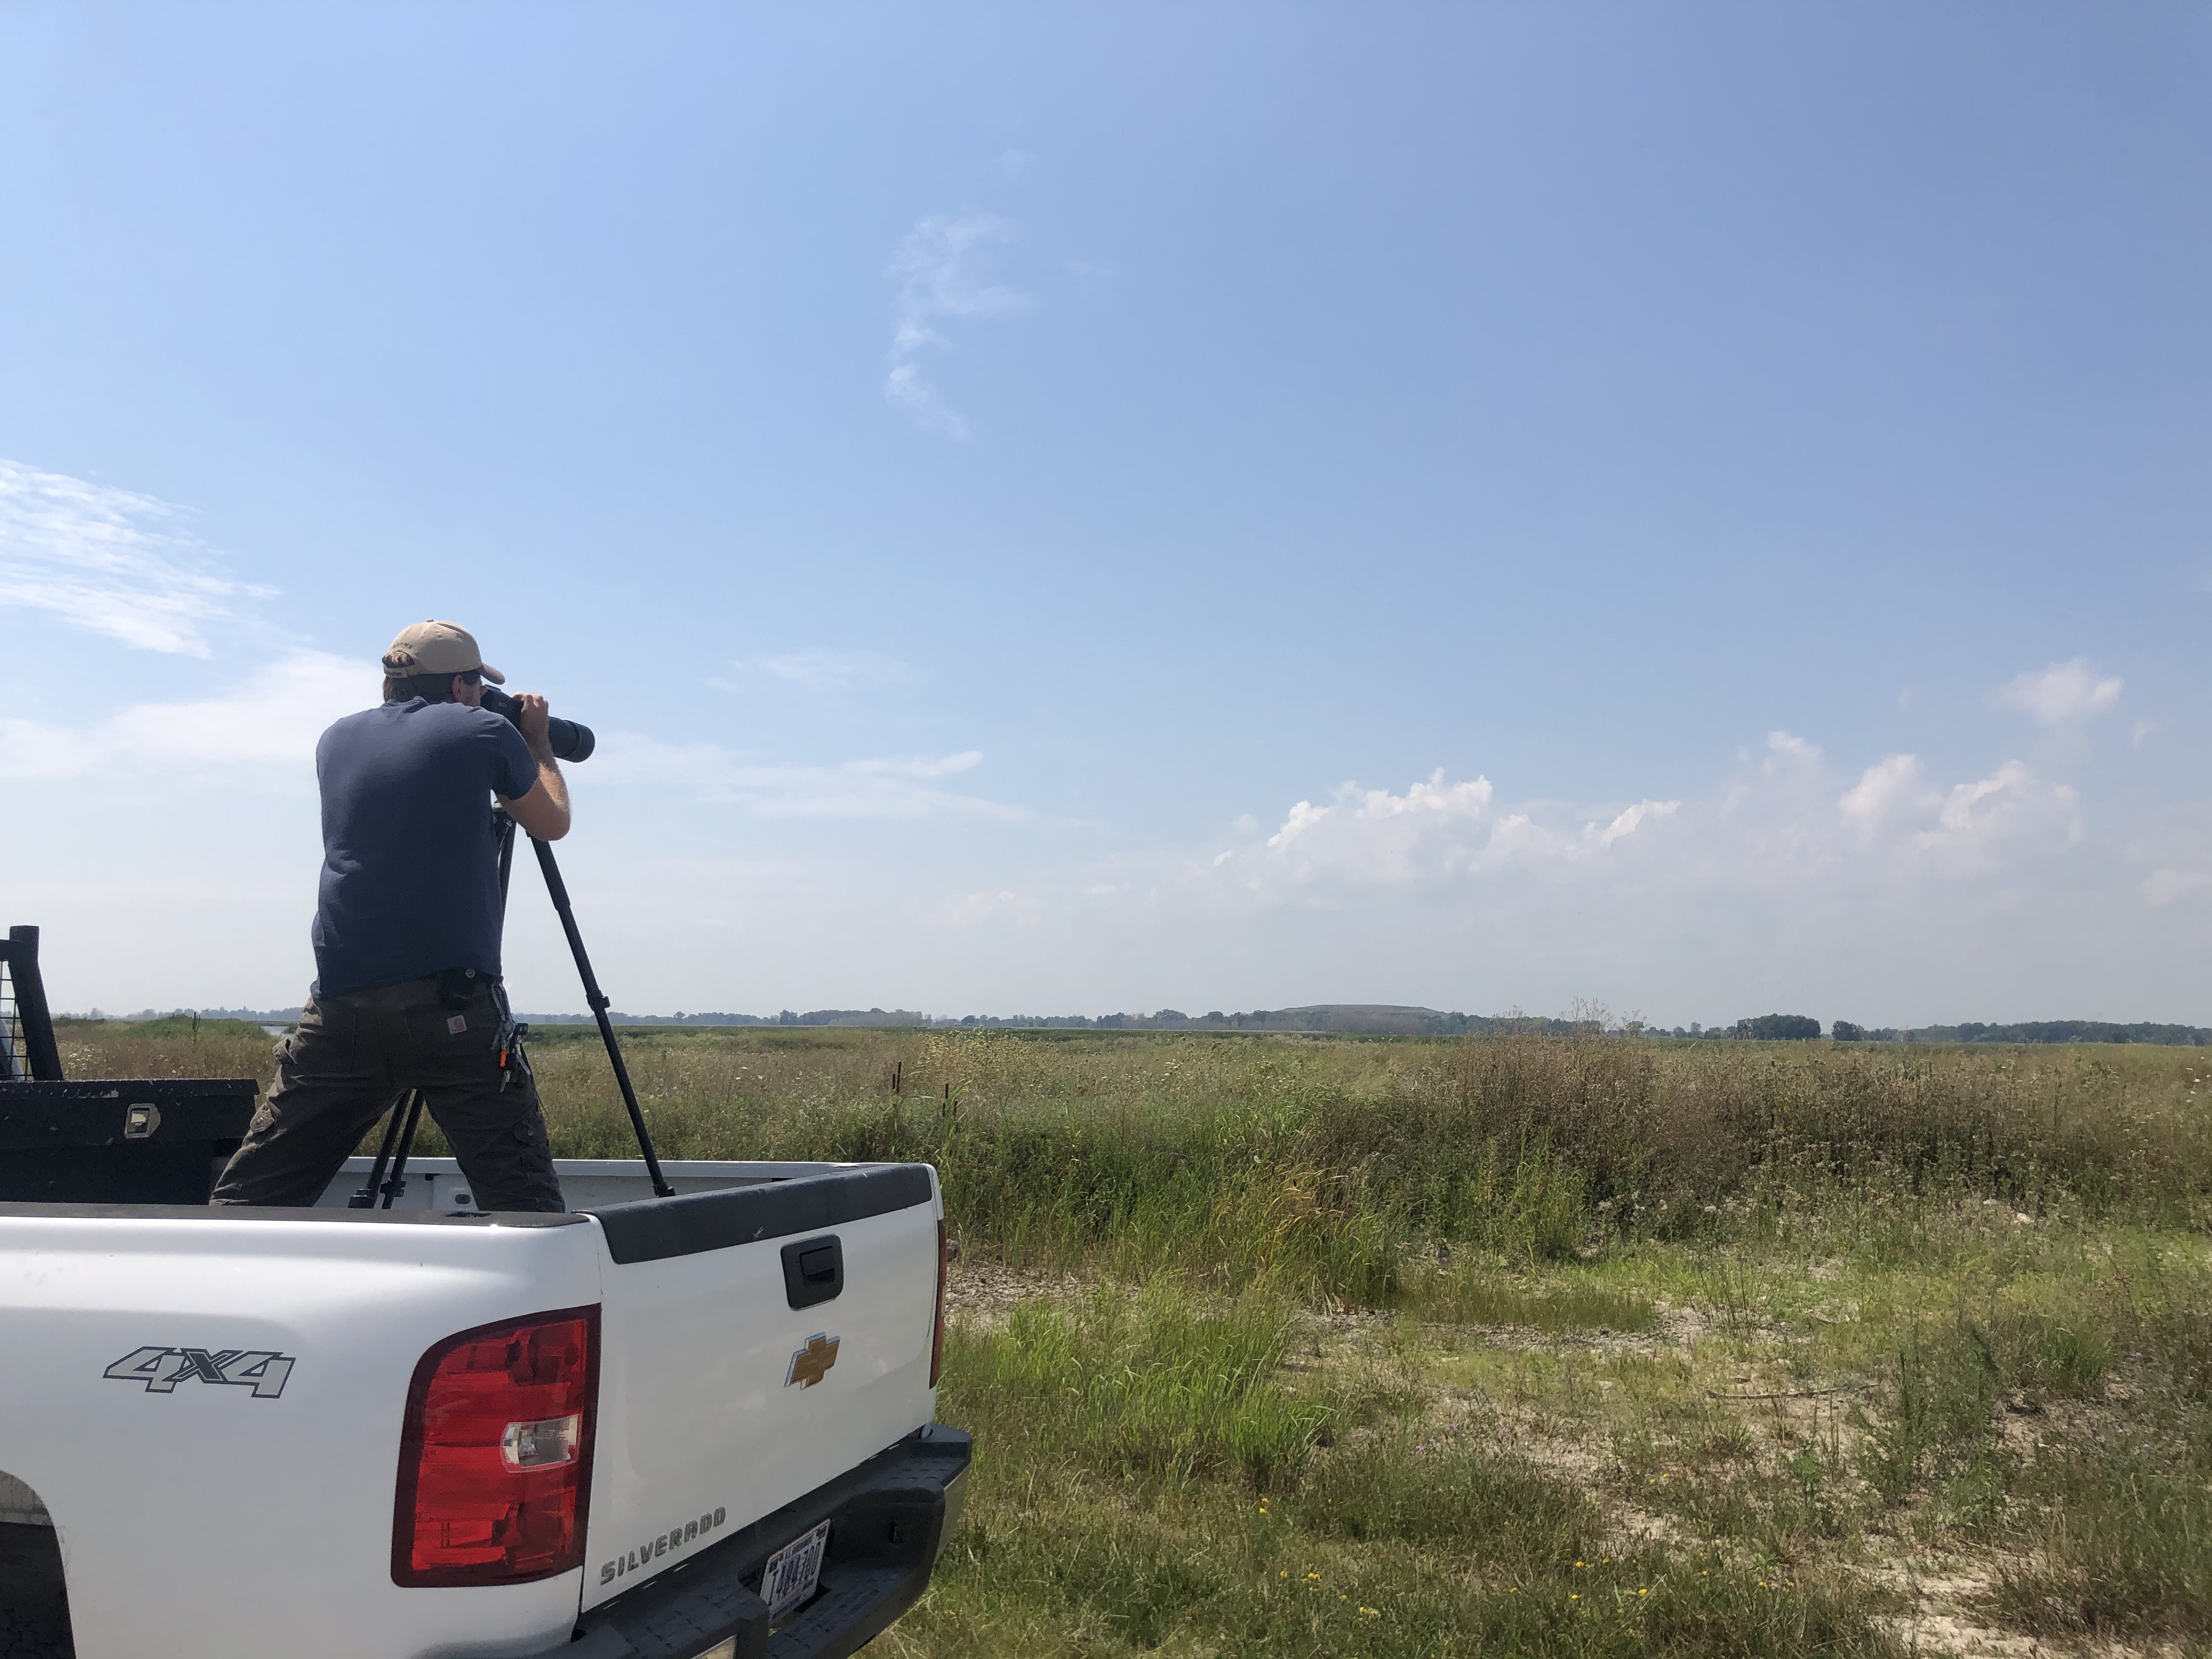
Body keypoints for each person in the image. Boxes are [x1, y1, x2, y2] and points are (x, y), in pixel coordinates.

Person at [212, 621, 572, 1212]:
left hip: (340, 1006)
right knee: (523, 1206)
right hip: (451, 1006)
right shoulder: (483, 730)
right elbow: (551, 822)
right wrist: (536, 742)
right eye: (479, 687)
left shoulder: (336, 739)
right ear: (460, 686)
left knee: (254, 1198)